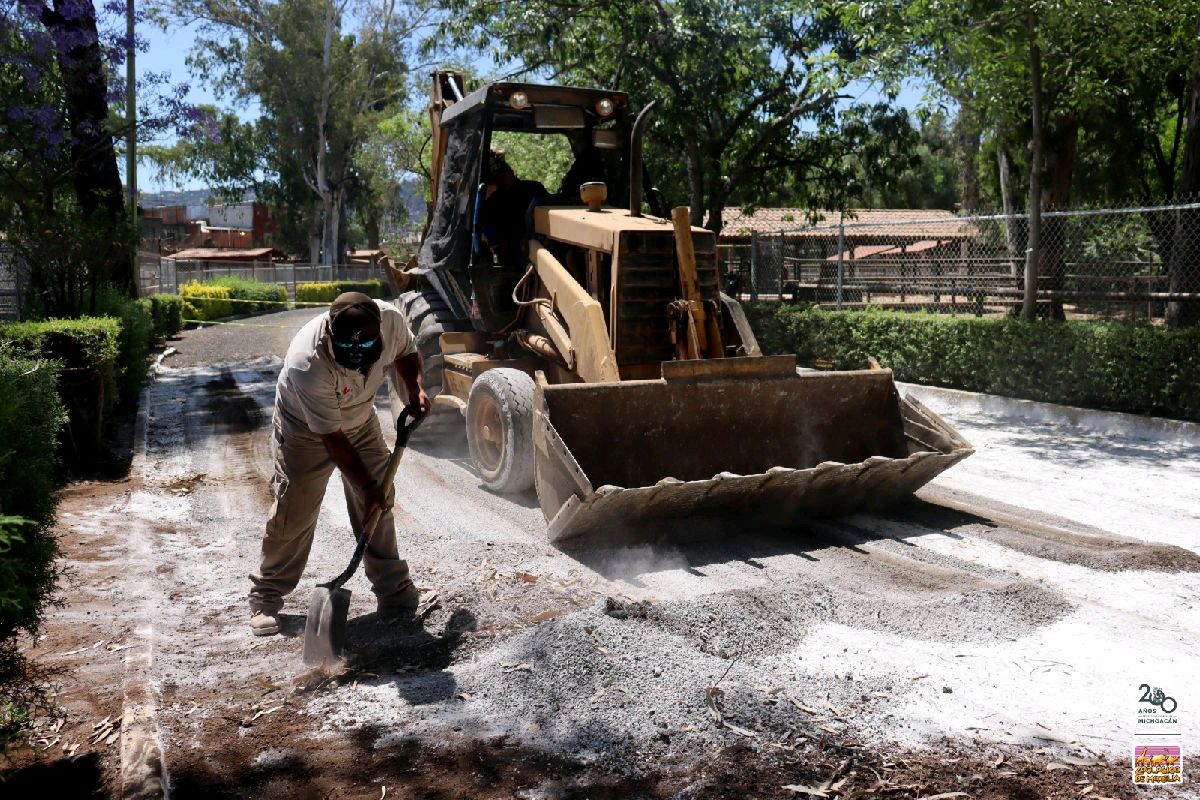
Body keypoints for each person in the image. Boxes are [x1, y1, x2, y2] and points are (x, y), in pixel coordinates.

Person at [248, 292, 429, 636]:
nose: (359, 356)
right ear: (331, 336)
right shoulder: (307, 362)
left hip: (360, 420)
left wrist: (415, 389)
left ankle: (394, 592)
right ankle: (266, 596)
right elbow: (333, 441)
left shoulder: (390, 319)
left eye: (366, 348)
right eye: (350, 351)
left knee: (379, 506)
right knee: (295, 508)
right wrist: (368, 485)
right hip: (305, 429)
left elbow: (406, 352)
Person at [479, 154, 547, 265]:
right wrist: (497, 243)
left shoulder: (533, 188)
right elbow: (484, 223)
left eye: (504, 176)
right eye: (497, 178)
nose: (501, 180)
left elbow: (548, 207)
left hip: (538, 242)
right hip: (510, 248)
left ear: (512, 173)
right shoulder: (494, 200)